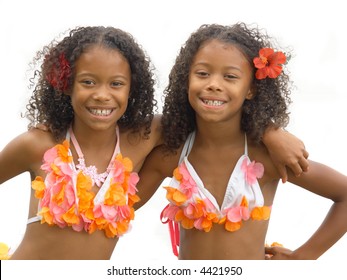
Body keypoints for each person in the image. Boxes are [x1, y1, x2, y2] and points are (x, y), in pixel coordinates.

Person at [0, 25, 308, 260]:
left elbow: (209, 114)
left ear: (133, 89)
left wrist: (269, 131)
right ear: (66, 85)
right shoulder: (37, 145)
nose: (102, 95)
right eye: (88, 82)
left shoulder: (144, 136)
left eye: (116, 84)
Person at [136, 22, 347, 260]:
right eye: (203, 73)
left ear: (251, 90)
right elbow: (121, 208)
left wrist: (304, 258)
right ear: (186, 81)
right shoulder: (172, 155)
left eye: (230, 76)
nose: (214, 84)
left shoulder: (266, 157)